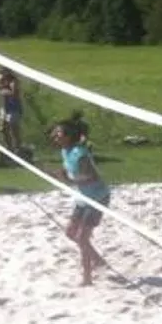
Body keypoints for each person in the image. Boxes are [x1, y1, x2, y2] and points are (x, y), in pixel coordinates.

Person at [49, 119, 109, 287]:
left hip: (97, 197)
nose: (55, 135)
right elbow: (72, 175)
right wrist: (57, 175)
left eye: (59, 133)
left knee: (82, 238)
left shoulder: (79, 154)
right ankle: (97, 260)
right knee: (70, 233)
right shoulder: (65, 151)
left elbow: (91, 177)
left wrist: (67, 179)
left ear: (68, 136)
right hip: (83, 196)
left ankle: (87, 278)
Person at [0, 69, 23, 154]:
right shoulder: (1, 84)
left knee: (14, 129)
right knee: (2, 128)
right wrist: (0, 87)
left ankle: (18, 149)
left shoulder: (13, 82)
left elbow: (14, 93)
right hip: (4, 108)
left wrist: (2, 90)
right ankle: (9, 148)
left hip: (13, 109)